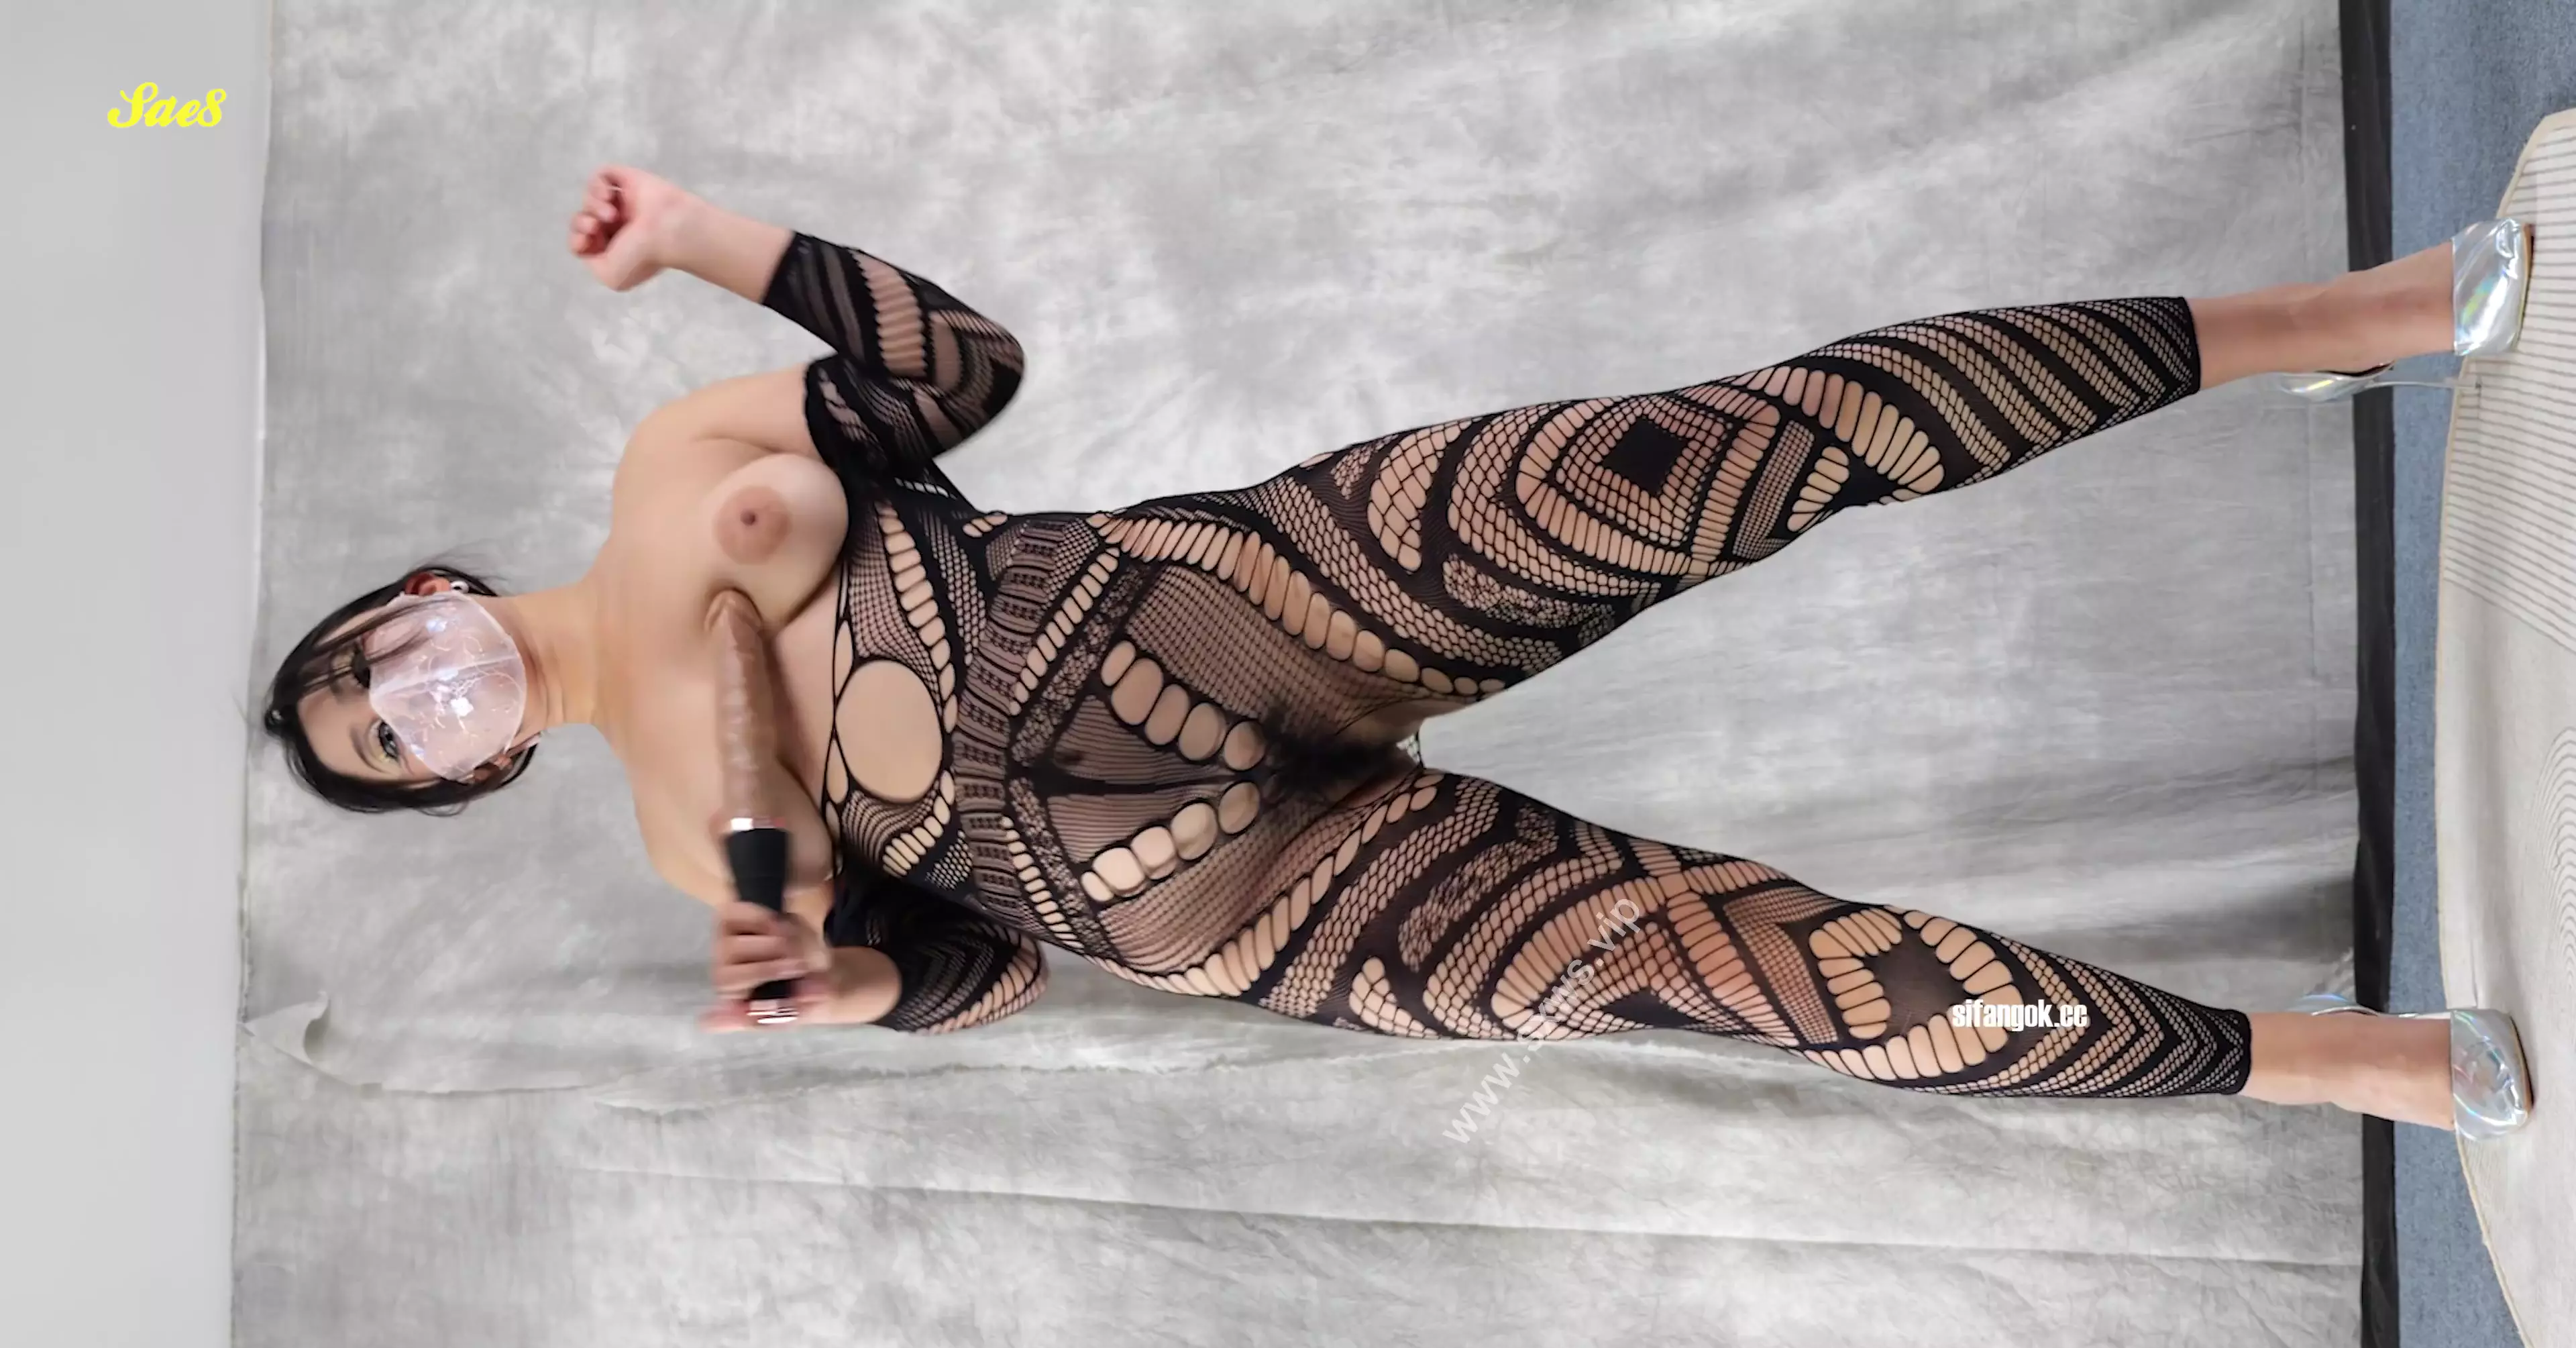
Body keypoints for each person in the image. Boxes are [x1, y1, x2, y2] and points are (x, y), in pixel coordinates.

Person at [264, 164, 2532, 1135]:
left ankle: (2346, 317)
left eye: (382, 665)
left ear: (419, 590)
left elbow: (958, 368)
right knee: (1785, 988)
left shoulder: (675, 470)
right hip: (1253, 913)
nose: (418, 700)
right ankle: (2343, 1066)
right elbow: (987, 974)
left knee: (1753, 444)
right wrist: (846, 988)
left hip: (1257, 609)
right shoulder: (693, 855)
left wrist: (708, 237)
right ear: (467, 779)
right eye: (399, 746)